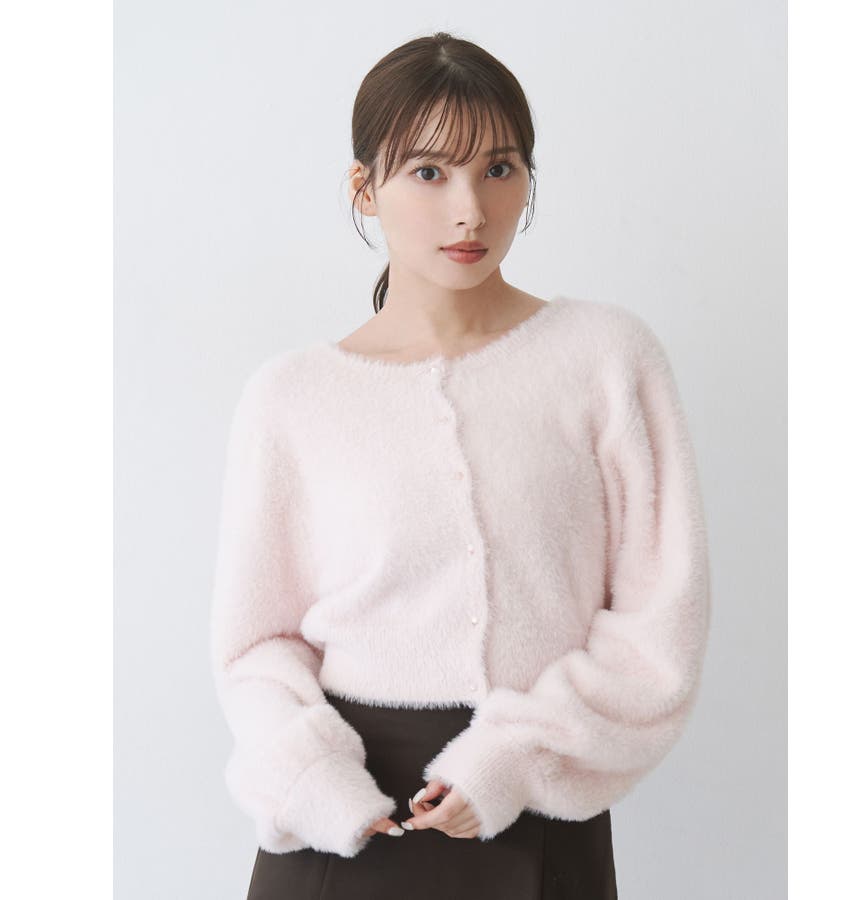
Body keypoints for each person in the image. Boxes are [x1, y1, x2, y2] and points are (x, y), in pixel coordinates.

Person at [209, 31, 711, 900]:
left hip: (539, 805)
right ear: (365, 187)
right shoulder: (291, 397)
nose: (471, 210)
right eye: (430, 172)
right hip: (341, 823)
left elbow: (660, 620)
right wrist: (315, 779)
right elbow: (255, 645)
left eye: (499, 168)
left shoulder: (607, 359)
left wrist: (512, 760)